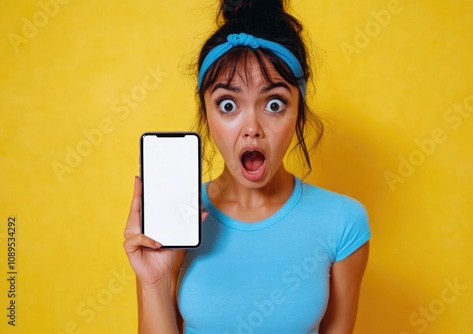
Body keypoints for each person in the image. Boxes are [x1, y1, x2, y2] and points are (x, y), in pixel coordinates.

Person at [123, 0, 371, 333]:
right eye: (228, 104)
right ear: (206, 115)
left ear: (298, 110)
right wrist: (154, 280)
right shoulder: (178, 219)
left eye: (274, 103)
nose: (251, 127)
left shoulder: (343, 222)